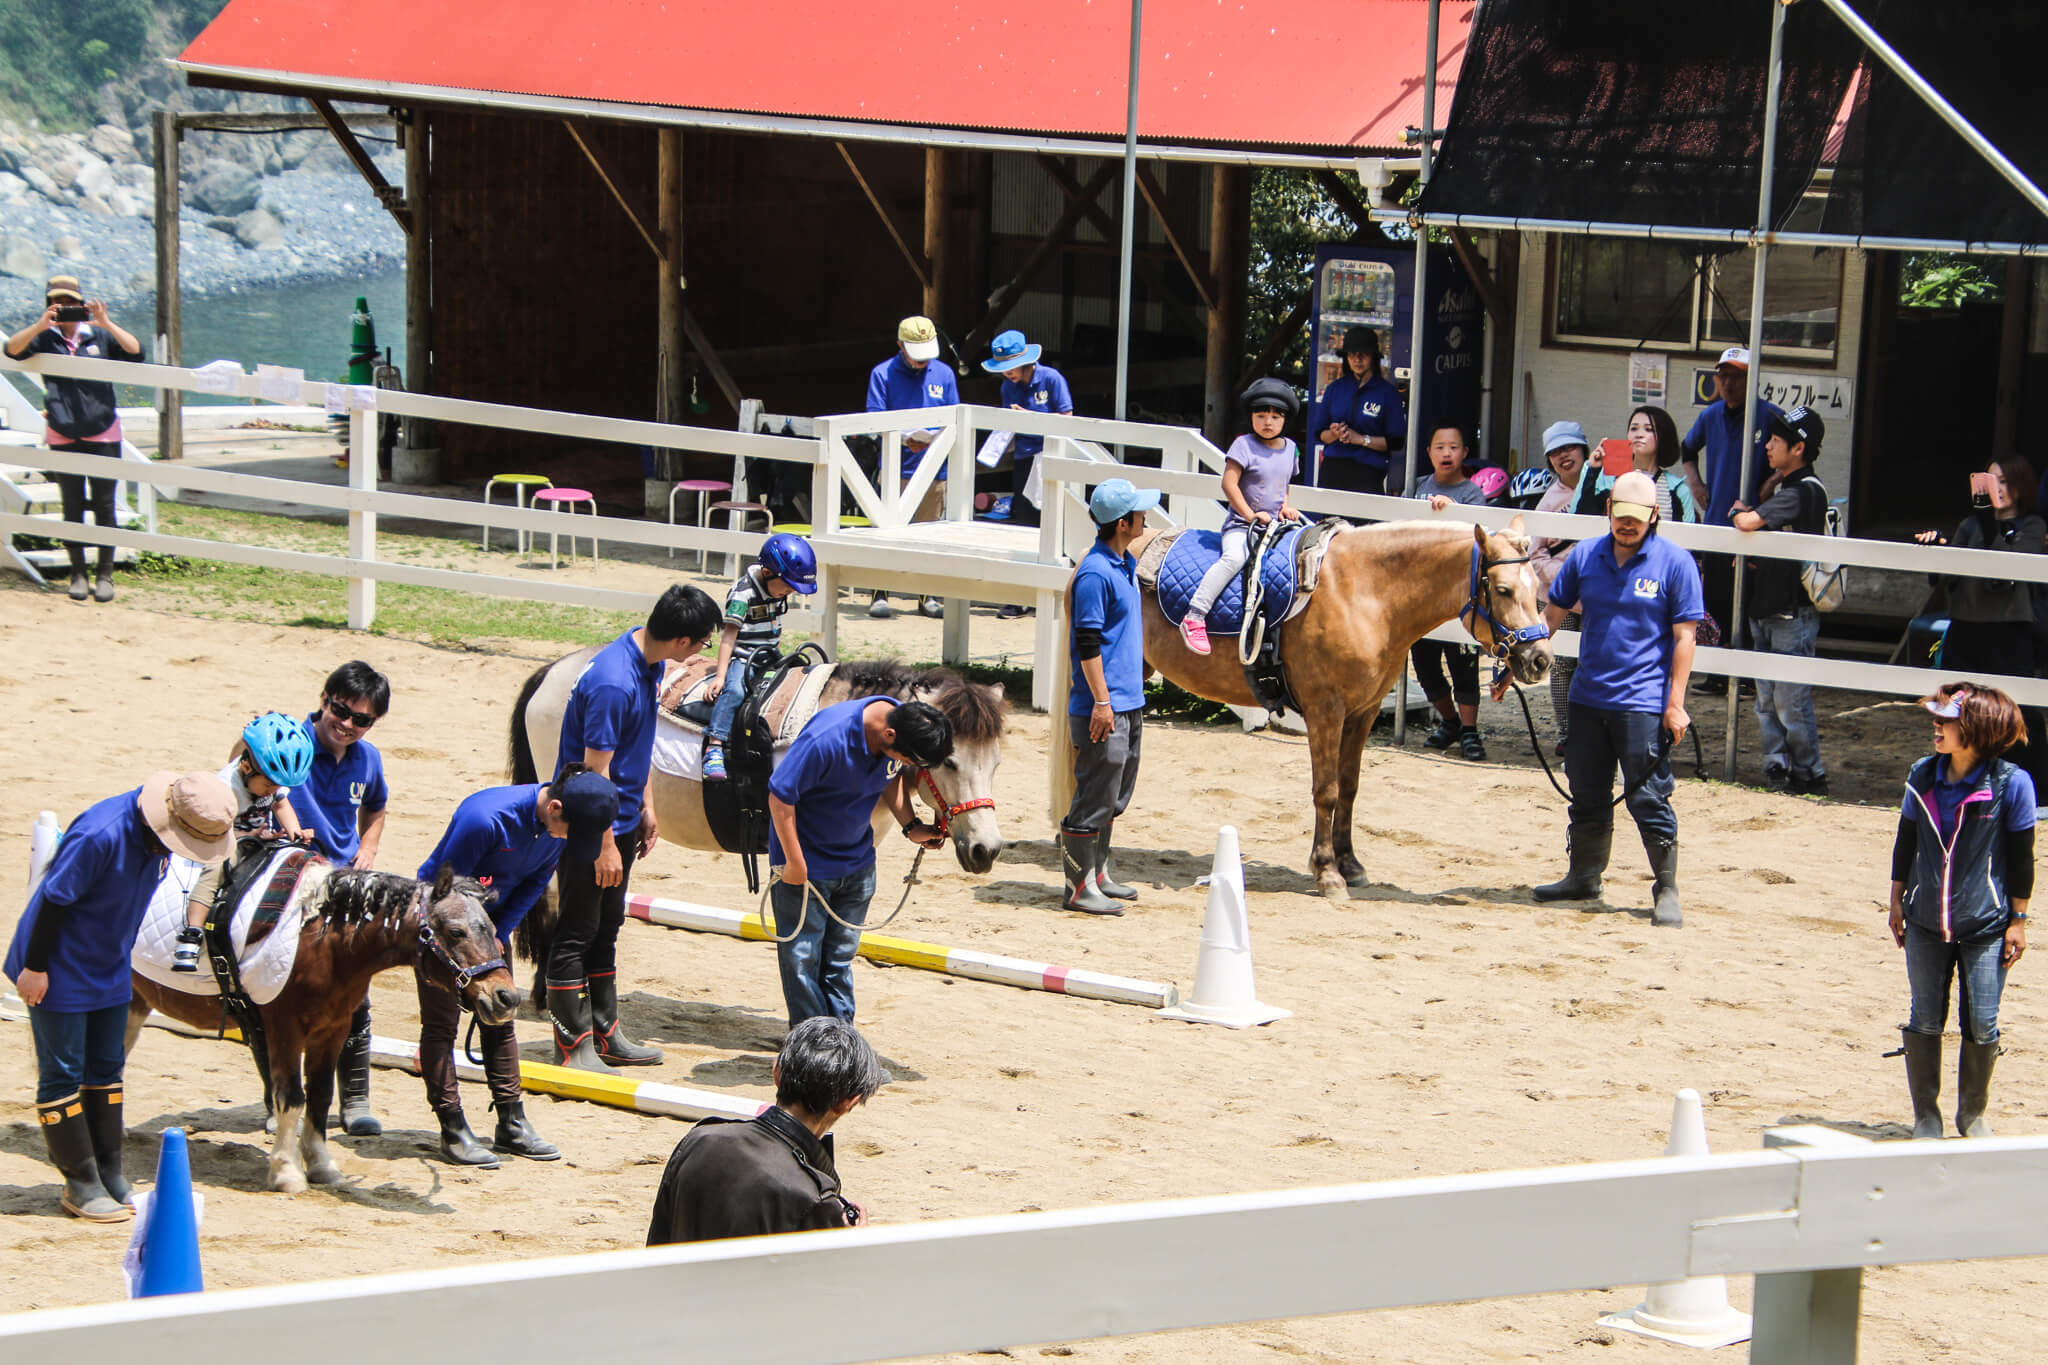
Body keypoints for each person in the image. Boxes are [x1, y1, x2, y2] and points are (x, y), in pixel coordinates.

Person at [6, 771, 234, 1221]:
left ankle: (109, 1172)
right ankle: (80, 1182)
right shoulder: (100, 833)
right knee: (63, 1072)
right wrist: (34, 969)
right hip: (58, 962)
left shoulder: (155, 841)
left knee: (107, 1068)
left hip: (111, 961)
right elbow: (54, 901)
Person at [549, 585, 720, 1072]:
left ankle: (606, 1032)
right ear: (684, 640)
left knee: (607, 926)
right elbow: (593, 773)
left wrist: (646, 806)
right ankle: (572, 1044)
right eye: (704, 643)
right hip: (591, 822)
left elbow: (635, 747)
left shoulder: (646, 665)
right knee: (578, 930)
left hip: (621, 818)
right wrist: (605, 844)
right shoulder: (613, 682)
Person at [414, 766, 619, 1165]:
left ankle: (511, 1122)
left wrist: (496, 939)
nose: (566, 841)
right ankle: (452, 1128)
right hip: (444, 930)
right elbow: (446, 891)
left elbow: (535, 884)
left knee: (502, 1017)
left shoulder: (558, 827)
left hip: (487, 928)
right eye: (568, 831)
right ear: (554, 806)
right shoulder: (485, 820)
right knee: (441, 1025)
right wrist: (474, 948)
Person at [1534, 470, 1703, 928]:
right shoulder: (1585, 555)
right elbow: (1552, 614)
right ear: (1609, 510)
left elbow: (1685, 638)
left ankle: (1666, 887)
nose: (1627, 525)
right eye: (1620, 516)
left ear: (1653, 515)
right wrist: (1520, 659)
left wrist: (1675, 703)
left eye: (1637, 518)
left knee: (1648, 796)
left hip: (1642, 702)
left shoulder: (1675, 563)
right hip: (1587, 698)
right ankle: (1584, 876)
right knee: (1586, 792)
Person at [1889, 682, 2034, 1139]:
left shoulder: (2013, 784)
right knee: (1925, 1016)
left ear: (1978, 730)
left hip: (1987, 926)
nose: (1937, 725)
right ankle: (1926, 1116)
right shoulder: (1922, 774)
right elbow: (1905, 840)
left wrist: (2018, 921)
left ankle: (1972, 1115)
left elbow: (2023, 857)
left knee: (1983, 1020)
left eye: (1947, 720)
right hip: (1925, 921)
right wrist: (1896, 899)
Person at [769, 696, 951, 1025]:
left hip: (858, 863)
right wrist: (794, 863)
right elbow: (780, 797)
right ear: (889, 735)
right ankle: (811, 1045)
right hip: (808, 869)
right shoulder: (825, 740)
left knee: (839, 960)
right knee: (802, 960)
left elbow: (892, 773)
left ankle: (841, 1040)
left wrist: (911, 826)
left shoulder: (905, 724)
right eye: (910, 759)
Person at [646, 1016, 885, 1245]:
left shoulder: (699, 1139)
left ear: (776, 1072)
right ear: (848, 1102)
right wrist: (852, 1245)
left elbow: (659, 1243)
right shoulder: (815, 1198)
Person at [295, 660, 393, 1135]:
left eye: (363, 720)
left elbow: (376, 806)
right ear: (324, 699)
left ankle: (355, 1096)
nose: (348, 725)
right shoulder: (291, 741)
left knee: (356, 987)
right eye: (341, 711)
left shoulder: (368, 758)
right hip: (291, 875)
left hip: (343, 883)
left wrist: (368, 846)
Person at [3, 275, 143, 603]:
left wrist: (106, 323)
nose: (64, 308)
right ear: (49, 305)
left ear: (81, 303)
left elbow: (135, 352)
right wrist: (40, 326)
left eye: (70, 302)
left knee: (105, 505)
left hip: (103, 430)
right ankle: (78, 573)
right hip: (62, 431)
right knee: (73, 505)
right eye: (57, 303)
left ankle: (105, 574)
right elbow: (11, 350)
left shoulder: (98, 336)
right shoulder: (45, 339)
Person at [1915, 454, 2047, 789]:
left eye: (2003, 481)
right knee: (1958, 707)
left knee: (2017, 711)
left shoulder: (2033, 526)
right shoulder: (1970, 525)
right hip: (1964, 626)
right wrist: (1940, 548)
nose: (1996, 489)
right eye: (1988, 482)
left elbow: (2004, 579)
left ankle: (2035, 789)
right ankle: (1961, 779)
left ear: (2020, 486)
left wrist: (1990, 526)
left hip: (2008, 630)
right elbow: (1948, 578)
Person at [1061, 477, 1160, 915]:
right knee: (1094, 793)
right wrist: (1102, 701)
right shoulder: (1096, 573)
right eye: (1140, 512)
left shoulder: (1121, 564)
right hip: (1105, 706)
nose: (1146, 517)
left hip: (1126, 702)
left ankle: (1098, 874)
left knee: (1114, 794)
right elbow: (1088, 643)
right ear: (1123, 523)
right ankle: (1078, 888)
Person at [1731, 406, 1831, 796]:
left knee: (1789, 700)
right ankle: (1778, 767)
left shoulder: (1802, 491)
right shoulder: (1789, 489)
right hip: (1770, 607)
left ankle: (1808, 771)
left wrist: (1747, 512)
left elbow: (1748, 522)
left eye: (1776, 440)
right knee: (1768, 700)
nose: (1768, 445)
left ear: (1799, 448)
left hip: (1791, 612)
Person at [171, 712, 314, 972]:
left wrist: (295, 832)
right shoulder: (227, 789)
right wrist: (249, 837)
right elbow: (218, 832)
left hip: (258, 837)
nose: (273, 790)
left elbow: (281, 803)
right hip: (224, 838)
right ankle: (191, 934)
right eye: (268, 785)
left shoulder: (268, 781)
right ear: (246, 768)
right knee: (215, 871)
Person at [1180, 377, 1299, 657]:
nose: (1268, 422)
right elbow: (1229, 484)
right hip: (1242, 526)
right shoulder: (1243, 445)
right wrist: (1249, 515)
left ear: (1284, 420)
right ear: (1252, 418)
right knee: (1234, 558)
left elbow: (1283, 485)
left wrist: (1285, 506)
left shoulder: (1290, 448)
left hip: (1275, 526)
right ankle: (1195, 614)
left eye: (1275, 416)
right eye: (1261, 416)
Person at [1681, 347, 1781, 679]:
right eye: (1723, 376)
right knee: (1716, 600)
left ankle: (1748, 676)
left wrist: (1767, 488)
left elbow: (1799, 457)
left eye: (1736, 376)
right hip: (1716, 523)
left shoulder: (1769, 416)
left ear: (1750, 380)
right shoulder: (1710, 416)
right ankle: (1717, 674)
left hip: (1755, 525)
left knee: (1752, 599)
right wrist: (1696, 484)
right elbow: (1688, 449)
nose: (1728, 382)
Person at [702, 532, 818, 783]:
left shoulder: (776, 590)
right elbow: (728, 637)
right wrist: (721, 676)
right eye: (787, 586)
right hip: (745, 657)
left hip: (770, 656)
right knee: (734, 692)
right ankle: (714, 746)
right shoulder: (742, 595)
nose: (788, 593)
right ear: (768, 573)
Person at [864, 315, 958, 619]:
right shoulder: (882, 374)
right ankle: (880, 591)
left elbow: (955, 416)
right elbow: (874, 418)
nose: (922, 362)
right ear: (900, 346)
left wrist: (934, 439)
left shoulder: (944, 374)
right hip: (895, 466)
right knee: (888, 532)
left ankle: (927, 594)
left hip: (934, 468)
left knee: (929, 533)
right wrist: (905, 440)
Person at [1410, 423, 1492, 761]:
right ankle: (1450, 721)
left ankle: (1471, 731)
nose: (1446, 453)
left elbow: (1479, 538)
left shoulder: (1473, 494)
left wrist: (1452, 513)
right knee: (1424, 662)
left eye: (1454, 447)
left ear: (1464, 453)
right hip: (1422, 594)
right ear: (1428, 452)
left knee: (1463, 663)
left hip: (1460, 595)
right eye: (1439, 447)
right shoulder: (1416, 487)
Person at [1530, 422, 1591, 757]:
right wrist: (1567, 577)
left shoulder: (1603, 490)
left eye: (1569, 448)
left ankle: (1592, 732)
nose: (1563, 457)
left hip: (1596, 597)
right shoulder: (1548, 501)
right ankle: (1568, 733)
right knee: (1563, 663)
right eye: (1554, 453)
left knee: (1593, 662)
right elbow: (1535, 553)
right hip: (1558, 597)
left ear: (1584, 449)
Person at [984, 328, 1072, 536]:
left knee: (1053, 517)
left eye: (1011, 367)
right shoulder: (1007, 387)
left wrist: (1031, 418)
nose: (1008, 373)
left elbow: (1068, 419)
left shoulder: (1051, 378)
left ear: (1025, 361)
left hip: (1051, 455)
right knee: (1025, 517)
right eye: (1003, 369)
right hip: (1023, 457)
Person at [1306, 325, 1405, 494]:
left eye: (1363, 354)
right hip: (1333, 469)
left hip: (1368, 472)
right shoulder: (1335, 389)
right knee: (1330, 520)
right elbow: (1320, 433)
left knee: (1365, 522)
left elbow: (1396, 442)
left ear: (1373, 357)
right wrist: (1335, 433)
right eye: (1352, 354)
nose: (1357, 359)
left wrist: (1360, 439)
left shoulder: (1388, 393)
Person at [1570, 406, 1700, 525]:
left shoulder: (1677, 489)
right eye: (1634, 428)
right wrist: (1593, 471)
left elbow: (1687, 540)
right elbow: (1578, 520)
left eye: (1648, 429)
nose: (1639, 434)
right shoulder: (1604, 475)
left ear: (1664, 436)